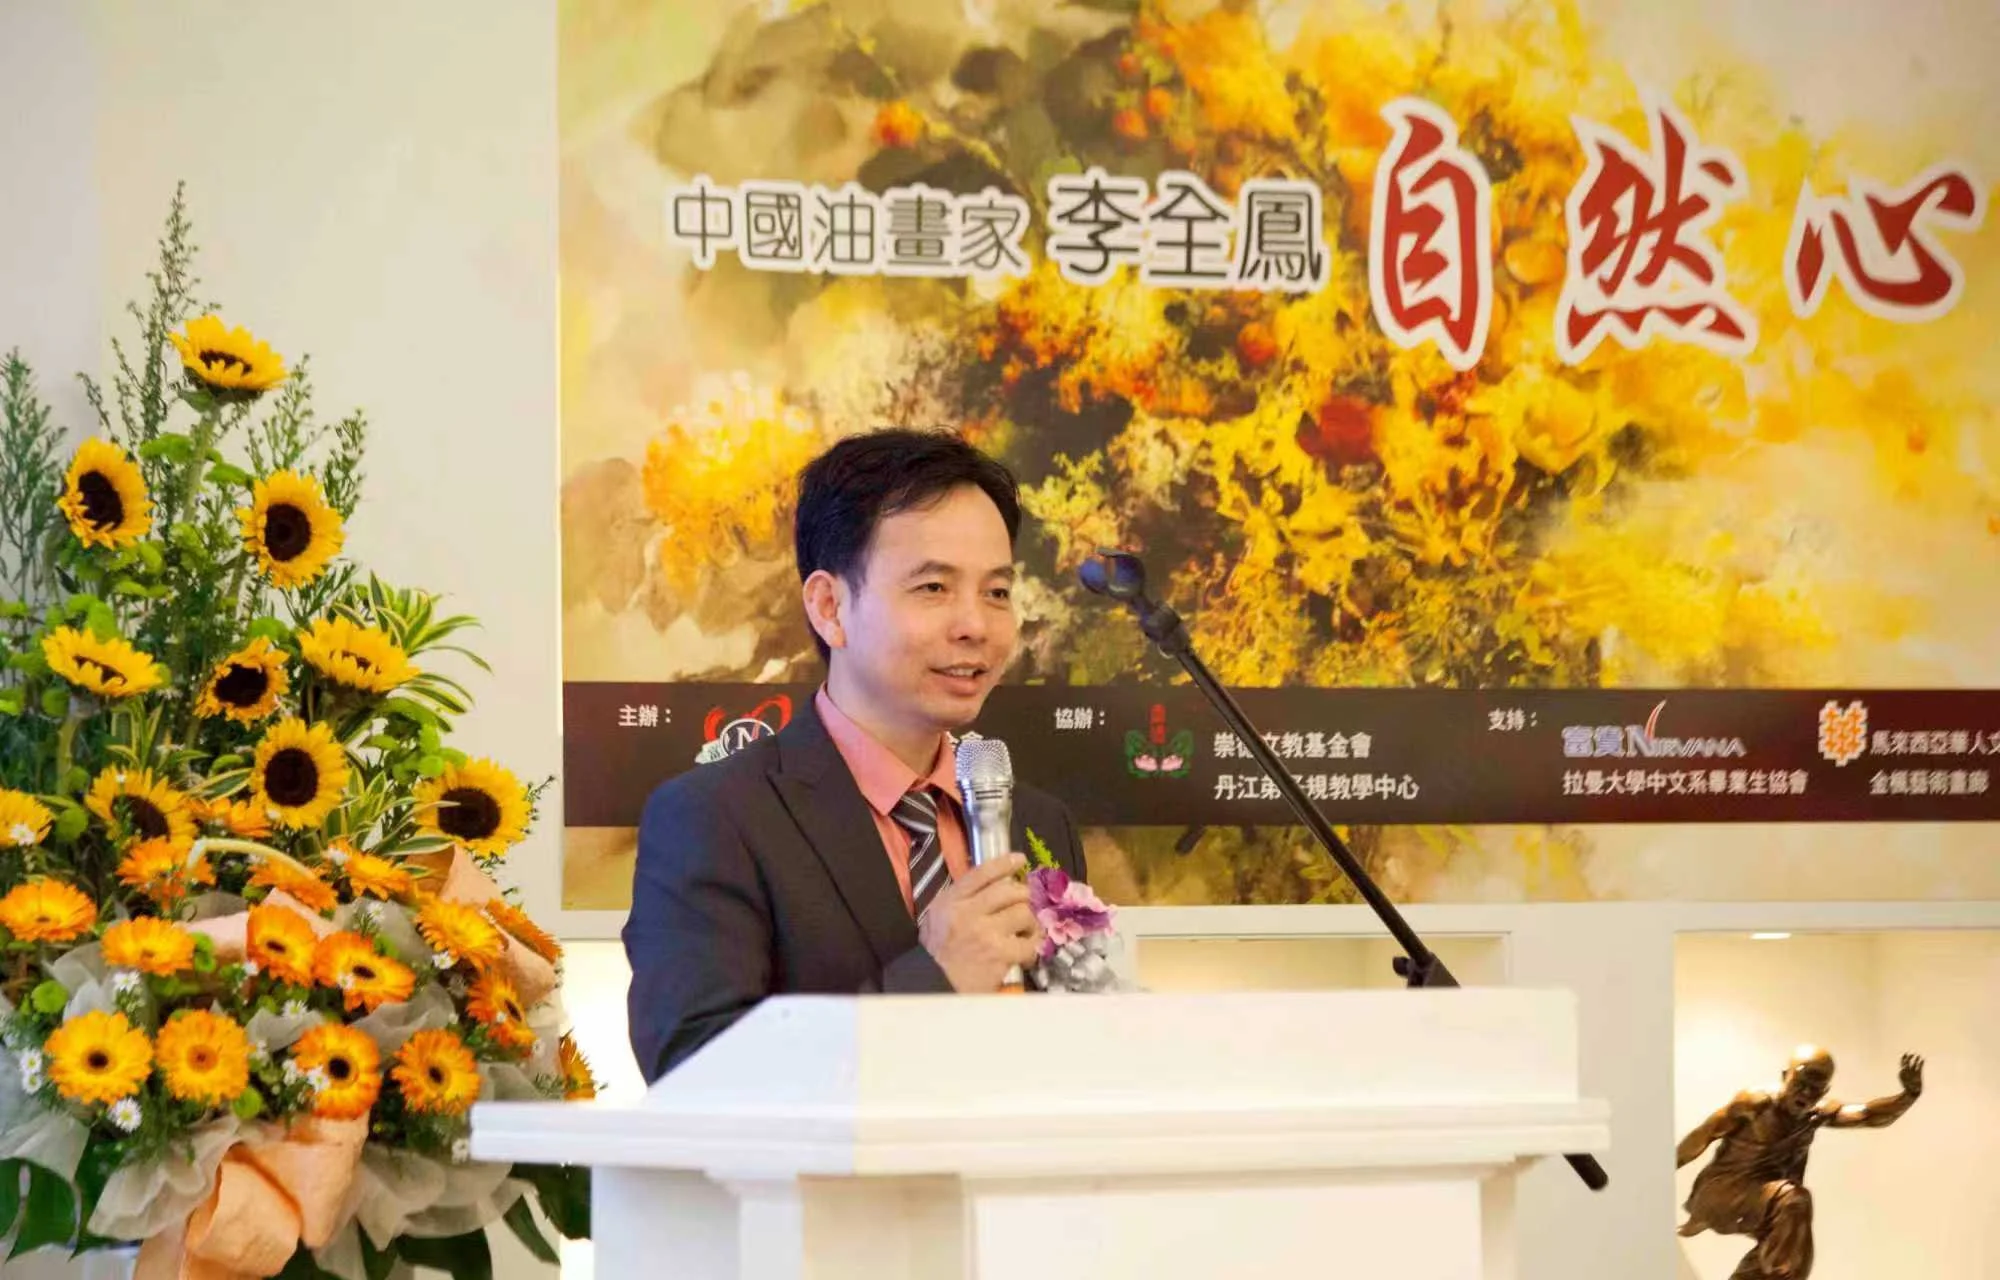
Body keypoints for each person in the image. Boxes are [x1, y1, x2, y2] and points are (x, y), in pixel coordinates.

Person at [623, 428, 1089, 1084]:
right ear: (828, 607)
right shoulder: (716, 819)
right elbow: (691, 1071)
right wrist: (935, 978)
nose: (976, 625)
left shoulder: (1037, 822)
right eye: (933, 588)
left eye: (997, 592)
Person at [1676, 1045, 1924, 1279]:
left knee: (1789, 1240)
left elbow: (1867, 1115)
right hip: (1721, 1193)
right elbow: (1704, 1134)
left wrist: (1907, 1096)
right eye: (1801, 1083)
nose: (1805, 1094)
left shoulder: (1817, 1113)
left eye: (1815, 1089)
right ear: (1786, 1076)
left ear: (1825, 1091)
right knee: (1794, 1200)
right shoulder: (1754, 1103)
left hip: (1765, 1205)